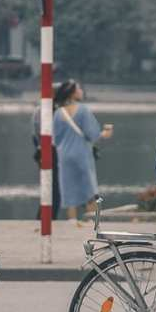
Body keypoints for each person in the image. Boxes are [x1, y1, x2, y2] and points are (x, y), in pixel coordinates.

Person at [53, 79, 112, 226]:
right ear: (73, 93)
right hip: (82, 153)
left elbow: (56, 138)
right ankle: (92, 220)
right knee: (89, 187)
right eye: (78, 89)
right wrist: (106, 133)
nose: (81, 91)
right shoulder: (83, 110)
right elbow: (93, 135)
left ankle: (72, 220)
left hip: (64, 155)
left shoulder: (59, 113)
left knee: (68, 186)